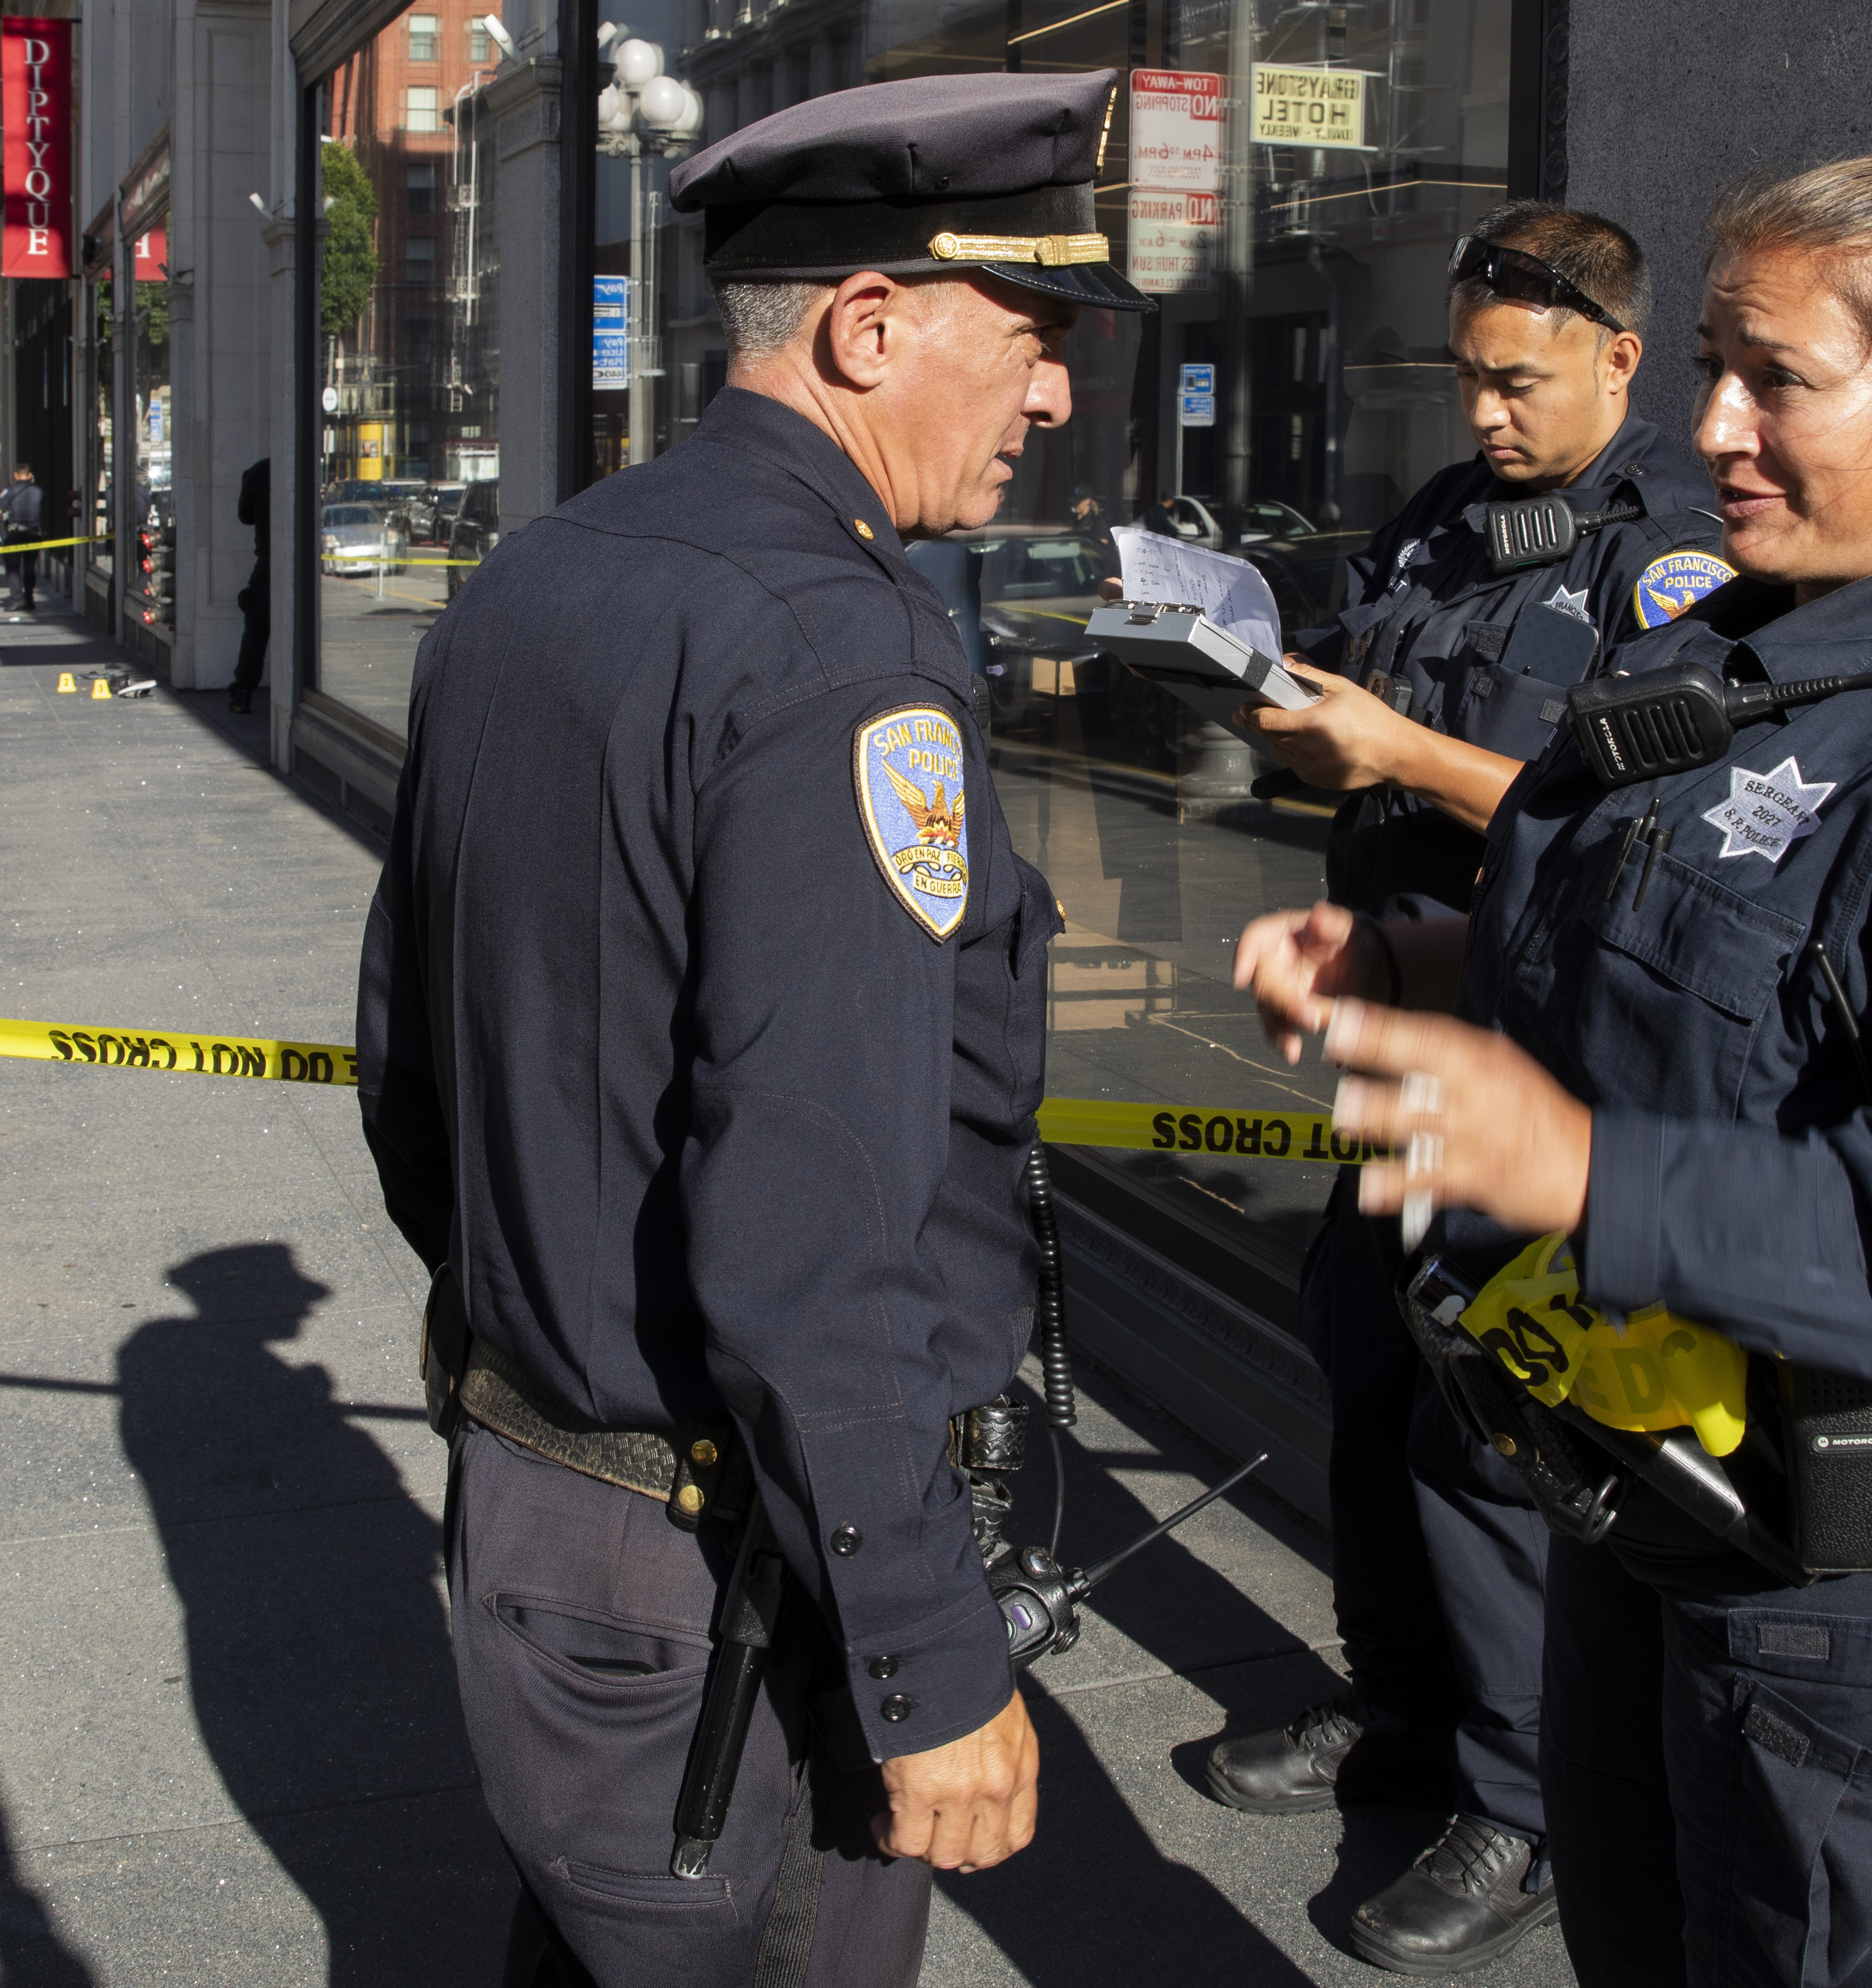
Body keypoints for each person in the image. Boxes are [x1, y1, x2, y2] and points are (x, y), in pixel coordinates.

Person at [1236, 157, 1872, 1987]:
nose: (1711, 425)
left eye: (1774, 378)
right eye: (1708, 365)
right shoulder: (1726, 654)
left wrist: (1593, 1175)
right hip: (1664, 1487)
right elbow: (1655, 951)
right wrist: (1407, 961)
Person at [354, 69, 1153, 1988]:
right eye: (1033, 339)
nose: (1055, 398)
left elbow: (410, 1070)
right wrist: (929, 1655)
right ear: (870, 330)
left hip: (546, 1502)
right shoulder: (845, 650)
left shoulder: (544, 569)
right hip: (728, 1581)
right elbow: (818, 1227)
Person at [1197, 200, 1723, 1977]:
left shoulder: (1676, 558)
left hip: (1538, 1070)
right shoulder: (1441, 522)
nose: (1484, 412)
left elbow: (1641, 834)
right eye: (1467, 375)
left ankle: (1525, 1804)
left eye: (1520, 381)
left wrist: (1402, 750)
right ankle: (1403, 1720)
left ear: (1618, 359)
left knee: (1490, 1445)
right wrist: (1278, 702)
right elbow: (1363, 702)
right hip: (1394, 1038)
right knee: (1364, 1374)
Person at [229, 458, 271, 715]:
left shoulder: (258, 471)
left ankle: (242, 693)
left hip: (267, 564)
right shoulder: (300, 468)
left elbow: (244, 515)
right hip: (300, 563)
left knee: (256, 632)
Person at [0, 464, 44, 610]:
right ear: (30, 475)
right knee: (30, 568)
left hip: (15, 534)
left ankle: (17, 599)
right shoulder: (39, 491)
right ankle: (29, 600)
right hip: (33, 534)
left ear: (16, 475)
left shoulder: (10, 491)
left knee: (13, 568)